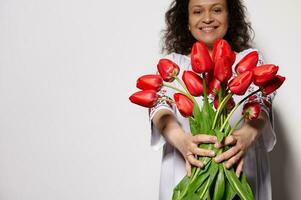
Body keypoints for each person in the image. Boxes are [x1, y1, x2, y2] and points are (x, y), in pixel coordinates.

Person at [149, 0, 276, 199]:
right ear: (187, 21)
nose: (207, 18)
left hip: (242, 175)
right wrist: (182, 141)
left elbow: (262, 103)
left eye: (217, 10)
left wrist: (247, 135)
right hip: (185, 174)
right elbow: (159, 108)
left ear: (229, 16)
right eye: (197, 11)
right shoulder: (173, 65)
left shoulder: (249, 60)